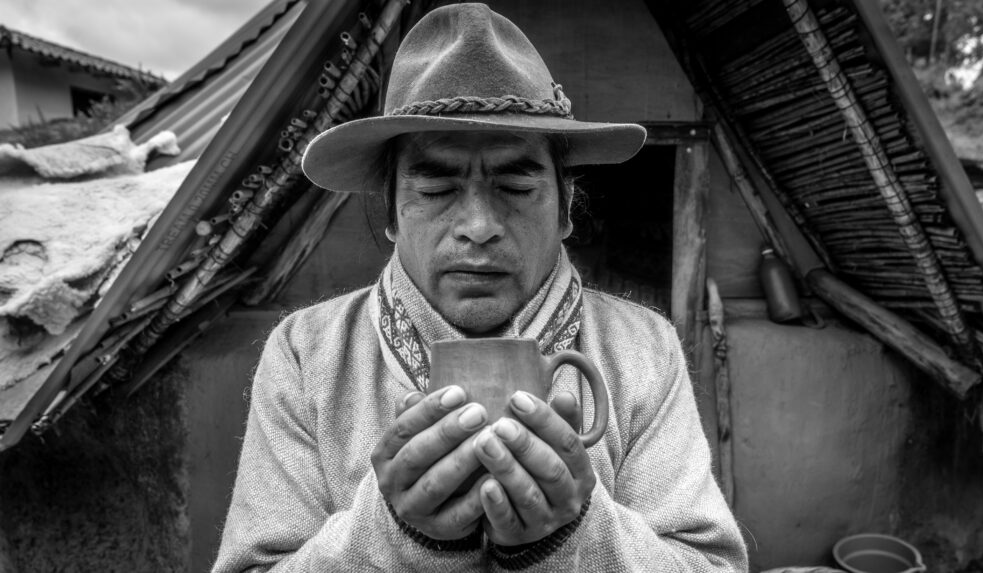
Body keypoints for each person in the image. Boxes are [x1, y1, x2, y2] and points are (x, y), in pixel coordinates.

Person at [213, 3, 747, 571]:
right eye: (438, 185)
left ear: (566, 208)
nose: (478, 226)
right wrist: (393, 535)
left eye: (515, 184)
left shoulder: (645, 348)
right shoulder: (306, 353)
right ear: (392, 212)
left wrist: (575, 536)